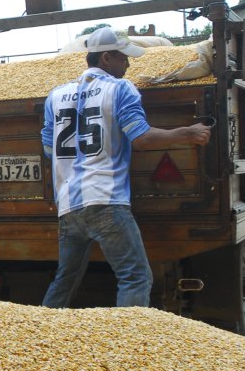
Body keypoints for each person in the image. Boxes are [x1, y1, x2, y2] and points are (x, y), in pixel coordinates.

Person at [40, 27, 211, 308]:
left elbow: (49, 148)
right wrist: (187, 133)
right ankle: (131, 342)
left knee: (65, 278)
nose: (128, 64)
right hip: (106, 198)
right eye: (123, 58)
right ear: (106, 58)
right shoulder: (120, 88)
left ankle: (43, 331)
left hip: (68, 204)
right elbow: (140, 137)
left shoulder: (56, 96)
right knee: (135, 276)